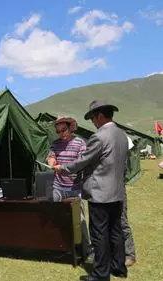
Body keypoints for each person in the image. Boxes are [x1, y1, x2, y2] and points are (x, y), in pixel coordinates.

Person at [53, 100, 128, 281]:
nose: (93, 122)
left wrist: (63, 168)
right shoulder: (121, 134)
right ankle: (119, 268)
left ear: (100, 116)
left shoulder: (99, 137)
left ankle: (101, 275)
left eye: (93, 118)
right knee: (116, 231)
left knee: (99, 234)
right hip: (117, 192)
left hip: (100, 194)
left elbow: (83, 161)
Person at [46, 116, 86, 201]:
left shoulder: (80, 143)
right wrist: (51, 162)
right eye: (58, 131)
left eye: (63, 130)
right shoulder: (55, 143)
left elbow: (81, 163)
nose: (61, 133)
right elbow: (51, 156)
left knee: (76, 214)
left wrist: (63, 168)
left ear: (70, 128)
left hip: (75, 188)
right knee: (57, 213)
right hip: (58, 188)